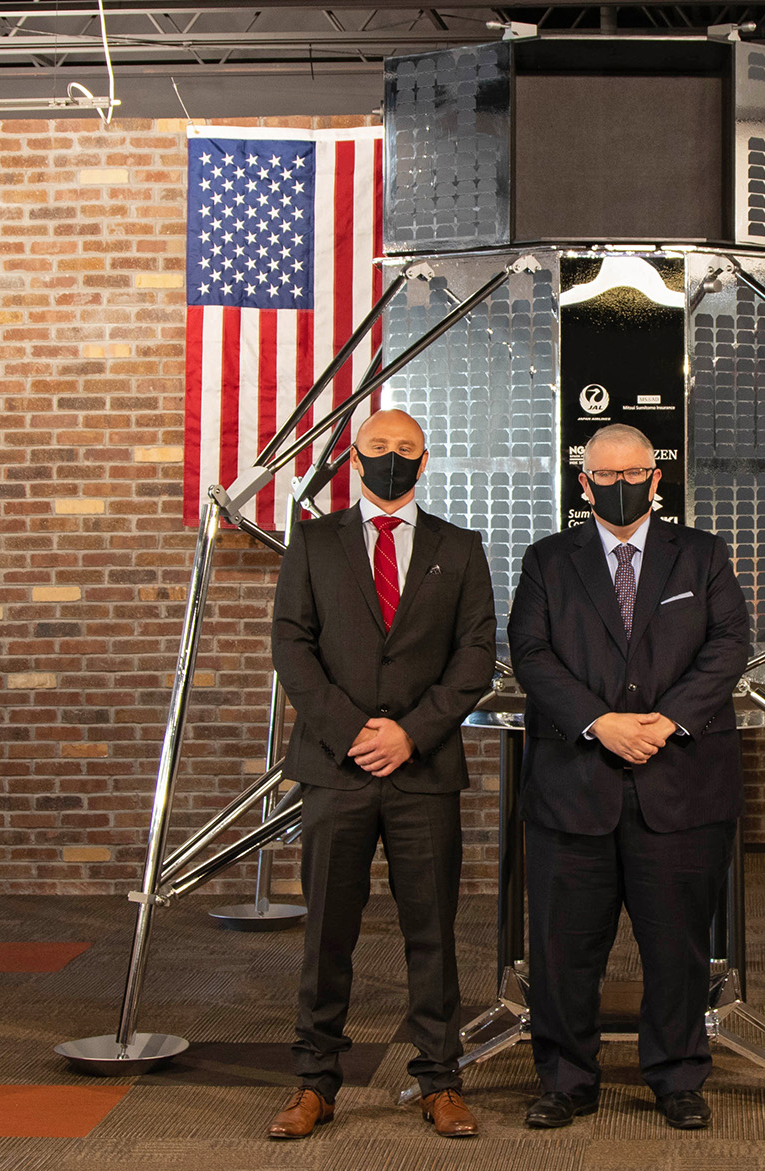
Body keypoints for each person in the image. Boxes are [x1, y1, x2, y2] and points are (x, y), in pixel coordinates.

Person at [508, 422, 750, 1131]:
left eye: (632, 473)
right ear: (582, 484)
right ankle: (565, 1078)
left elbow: (728, 642)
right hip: (572, 785)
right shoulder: (548, 559)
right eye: (604, 476)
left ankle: (676, 1075)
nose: (619, 486)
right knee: (562, 949)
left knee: (675, 946)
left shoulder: (702, 555)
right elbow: (530, 651)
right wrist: (599, 721)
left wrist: (665, 720)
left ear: (657, 477)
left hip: (677, 783)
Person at [268, 408, 496, 1140]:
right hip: (336, 768)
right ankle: (314, 1082)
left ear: (424, 462)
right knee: (327, 931)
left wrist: (410, 732)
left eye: (405, 449)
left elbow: (474, 656)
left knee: (430, 930)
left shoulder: (459, 548)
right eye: (378, 448)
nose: (391, 458)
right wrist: (351, 730)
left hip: (422, 768)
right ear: (354, 460)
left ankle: (439, 1080)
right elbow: (292, 646)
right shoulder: (313, 541)